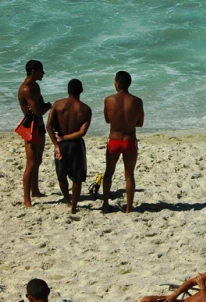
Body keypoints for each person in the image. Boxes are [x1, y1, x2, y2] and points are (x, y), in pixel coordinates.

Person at [46, 79, 92, 214]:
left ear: (68, 90)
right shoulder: (85, 109)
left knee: (61, 175)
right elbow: (82, 132)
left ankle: (67, 200)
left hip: (60, 143)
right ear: (81, 91)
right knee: (77, 177)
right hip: (76, 144)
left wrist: (56, 144)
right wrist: (66, 138)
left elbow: (48, 125)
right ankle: (74, 206)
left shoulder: (58, 105)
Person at [102, 70, 144, 213]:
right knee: (129, 175)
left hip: (114, 140)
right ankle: (129, 207)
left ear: (117, 84)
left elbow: (108, 120)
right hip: (129, 141)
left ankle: (106, 205)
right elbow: (140, 123)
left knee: (108, 172)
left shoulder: (109, 100)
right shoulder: (137, 101)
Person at [17, 60, 52, 208]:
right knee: (31, 164)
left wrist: (44, 107)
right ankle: (26, 199)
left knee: (38, 161)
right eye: (41, 70)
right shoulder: (26, 89)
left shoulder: (35, 86)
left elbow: (39, 107)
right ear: (33, 71)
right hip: (30, 127)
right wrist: (49, 106)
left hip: (39, 125)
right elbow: (38, 110)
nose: (43, 73)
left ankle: (35, 190)